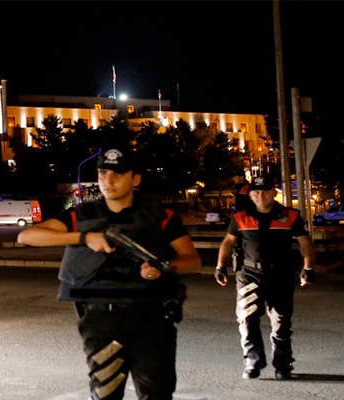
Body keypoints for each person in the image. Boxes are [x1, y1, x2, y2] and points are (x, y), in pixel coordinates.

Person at [17, 144, 201, 400]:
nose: (108, 180)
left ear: (135, 179)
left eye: (118, 173)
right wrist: (84, 237)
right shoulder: (81, 215)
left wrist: (165, 267)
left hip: (153, 319)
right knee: (105, 394)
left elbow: (193, 260)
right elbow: (27, 235)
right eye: (103, 173)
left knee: (157, 394)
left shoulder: (161, 216)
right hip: (102, 320)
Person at [214, 175, 316, 380]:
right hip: (249, 274)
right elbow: (228, 242)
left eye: (264, 191)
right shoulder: (240, 217)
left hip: (280, 274)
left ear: (273, 193)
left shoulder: (290, 216)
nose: (260, 195)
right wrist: (220, 266)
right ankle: (253, 360)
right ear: (250, 195)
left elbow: (305, 242)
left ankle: (283, 363)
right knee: (247, 317)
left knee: (281, 320)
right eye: (255, 192)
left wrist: (308, 267)